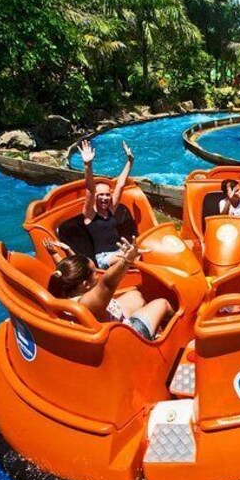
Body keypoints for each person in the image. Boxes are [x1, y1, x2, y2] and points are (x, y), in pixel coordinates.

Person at [44, 238, 173, 341]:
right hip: (125, 339)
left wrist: (58, 253)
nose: (98, 274)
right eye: (95, 272)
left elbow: (69, 273)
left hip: (111, 318)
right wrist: (127, 260)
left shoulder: (64, 289)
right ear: (86, 284)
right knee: (162, 303)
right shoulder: (86, 304)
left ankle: (152, 325)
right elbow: (107, 283)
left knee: (135, 295)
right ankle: (167, 332)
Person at [79, 139, 135, 268]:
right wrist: (87, 165)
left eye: (107, 194)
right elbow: (90, 189)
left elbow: (120, 185)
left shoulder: (110, 209)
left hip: (119, 251)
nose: (105, 198)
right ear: (95, 197)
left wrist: (130, 162)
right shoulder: (89, 214)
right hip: (104, 257)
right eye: (101, 195)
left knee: (136, 253)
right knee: (128, 257)